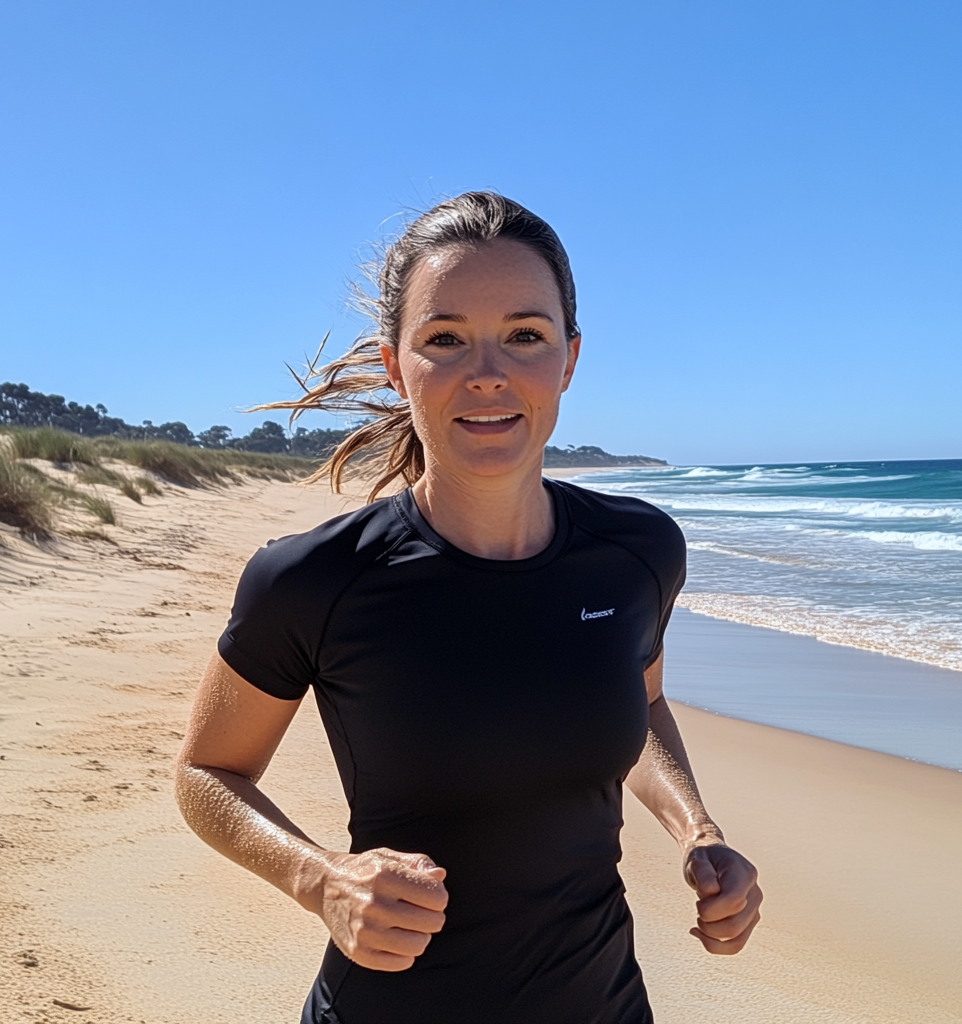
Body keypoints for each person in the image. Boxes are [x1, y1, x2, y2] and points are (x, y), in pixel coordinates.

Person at [174, 192, 762, 1024]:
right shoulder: (315, 578)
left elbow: (643, 701)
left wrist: (700, 833)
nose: (488, 371)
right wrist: (319, 879)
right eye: (444, 339)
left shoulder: (638, 553)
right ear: (394, 363)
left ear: (570, 358)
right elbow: (206, 774)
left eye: (525, 335)